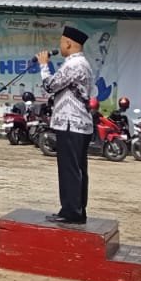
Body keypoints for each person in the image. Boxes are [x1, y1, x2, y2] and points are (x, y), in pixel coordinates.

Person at [38, 26, 94, 225]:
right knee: (77, 170)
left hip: (71, 123)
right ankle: (77, 210)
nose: (60, 46)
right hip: (79, 124)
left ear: (69, 44)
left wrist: (44, 66)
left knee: (70, 170)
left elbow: (50, 86)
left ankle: (71, 212)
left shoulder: (74, 64)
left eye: (62, 42)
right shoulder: (82, 63)